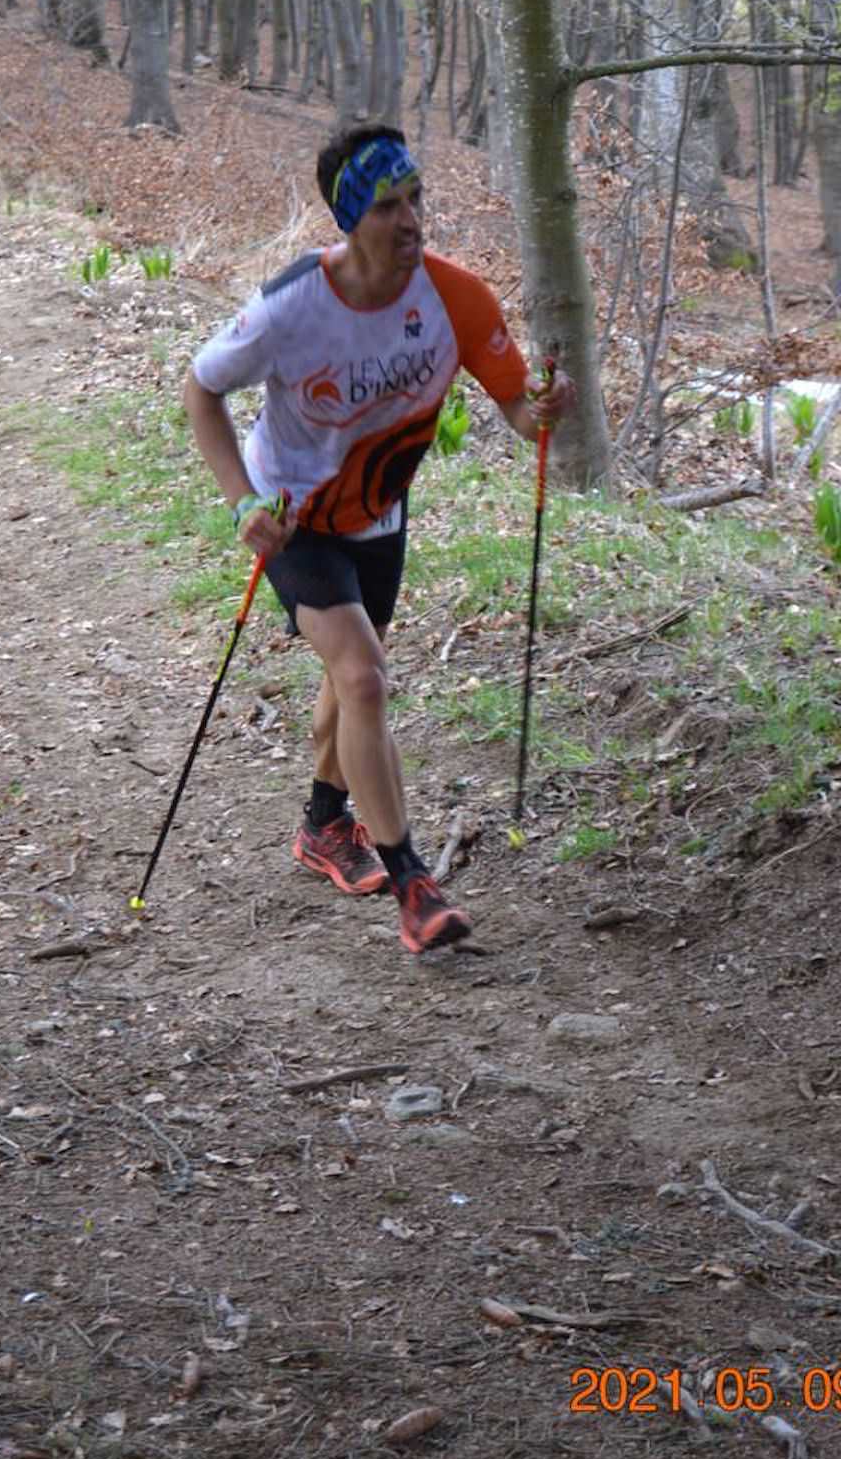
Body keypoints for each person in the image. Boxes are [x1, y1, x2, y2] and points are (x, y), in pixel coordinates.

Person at [183, 123, 575, 954]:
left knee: (351, 677)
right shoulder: (291, 307)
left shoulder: (456, 299)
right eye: (389, 206)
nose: (411, 221)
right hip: (295, 516)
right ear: (350, 218)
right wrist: (241, 501)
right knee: (363, 676)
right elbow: (202, 388)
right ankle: (413, 883)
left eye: (416, 199)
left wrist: (540, 407)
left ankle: (324, 824)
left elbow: (516, 404)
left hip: (379, 512)